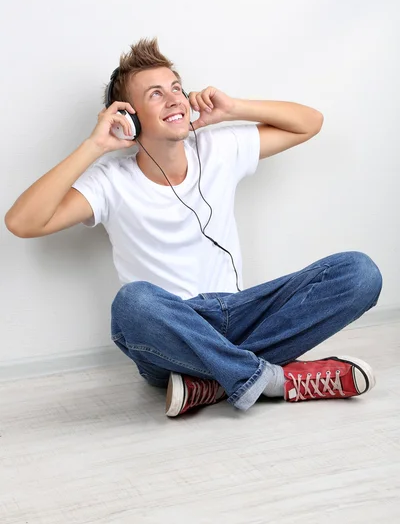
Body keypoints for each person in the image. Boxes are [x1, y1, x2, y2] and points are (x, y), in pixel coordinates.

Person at [5, 38, 382, 417]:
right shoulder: (110, 180)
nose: (174, 99)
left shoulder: (217, 148)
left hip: (238, 313)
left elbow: (309, 123)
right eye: (156, 94)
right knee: (132, 302)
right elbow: (22, 222)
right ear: (128, 118)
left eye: (176, 89)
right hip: (170, 332)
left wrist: (233, 109)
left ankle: (212, 382)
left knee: (359, 273)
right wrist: (94, 145)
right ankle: (272, 379)